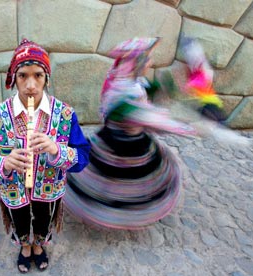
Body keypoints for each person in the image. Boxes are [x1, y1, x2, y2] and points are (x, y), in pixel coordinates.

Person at [0, 39, 90, 273]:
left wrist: (56, 150)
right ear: (14, 78)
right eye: (23, 76)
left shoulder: (64, 114)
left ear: (47, 79)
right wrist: (3, 162)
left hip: (49, 187)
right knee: (20, 220)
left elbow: (82, 156)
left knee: (44, 221)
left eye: (38, 76)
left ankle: (39, 245)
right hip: (14, 188)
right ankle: (25, 246)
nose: (31, 86)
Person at [64, 37, 197, 230]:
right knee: (113, 180)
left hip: (129, 140)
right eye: (147, 59)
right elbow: (148, 118)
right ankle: (110, 213)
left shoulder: (126, 81)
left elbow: (147, 93)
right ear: (137, 62)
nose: (150, 63)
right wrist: (190, 128)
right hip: (119, 144)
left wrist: (173, 82)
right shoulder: (123, 93)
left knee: (119, 179)